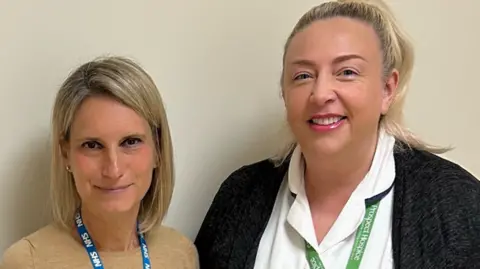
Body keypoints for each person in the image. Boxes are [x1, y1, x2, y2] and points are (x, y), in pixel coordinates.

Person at [194, 0, 480, 268]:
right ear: (284, 92)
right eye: (303, 76)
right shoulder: (240, 196)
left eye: (346, 72)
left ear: (387, 89)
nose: (320, 94)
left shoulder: (455, 204)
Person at [1, 56, 198, 268]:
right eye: (92, 145)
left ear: (158, 149)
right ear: (65, 153)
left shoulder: (181, 254)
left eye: (130, 142)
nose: (113, 169)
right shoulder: (28, 261)